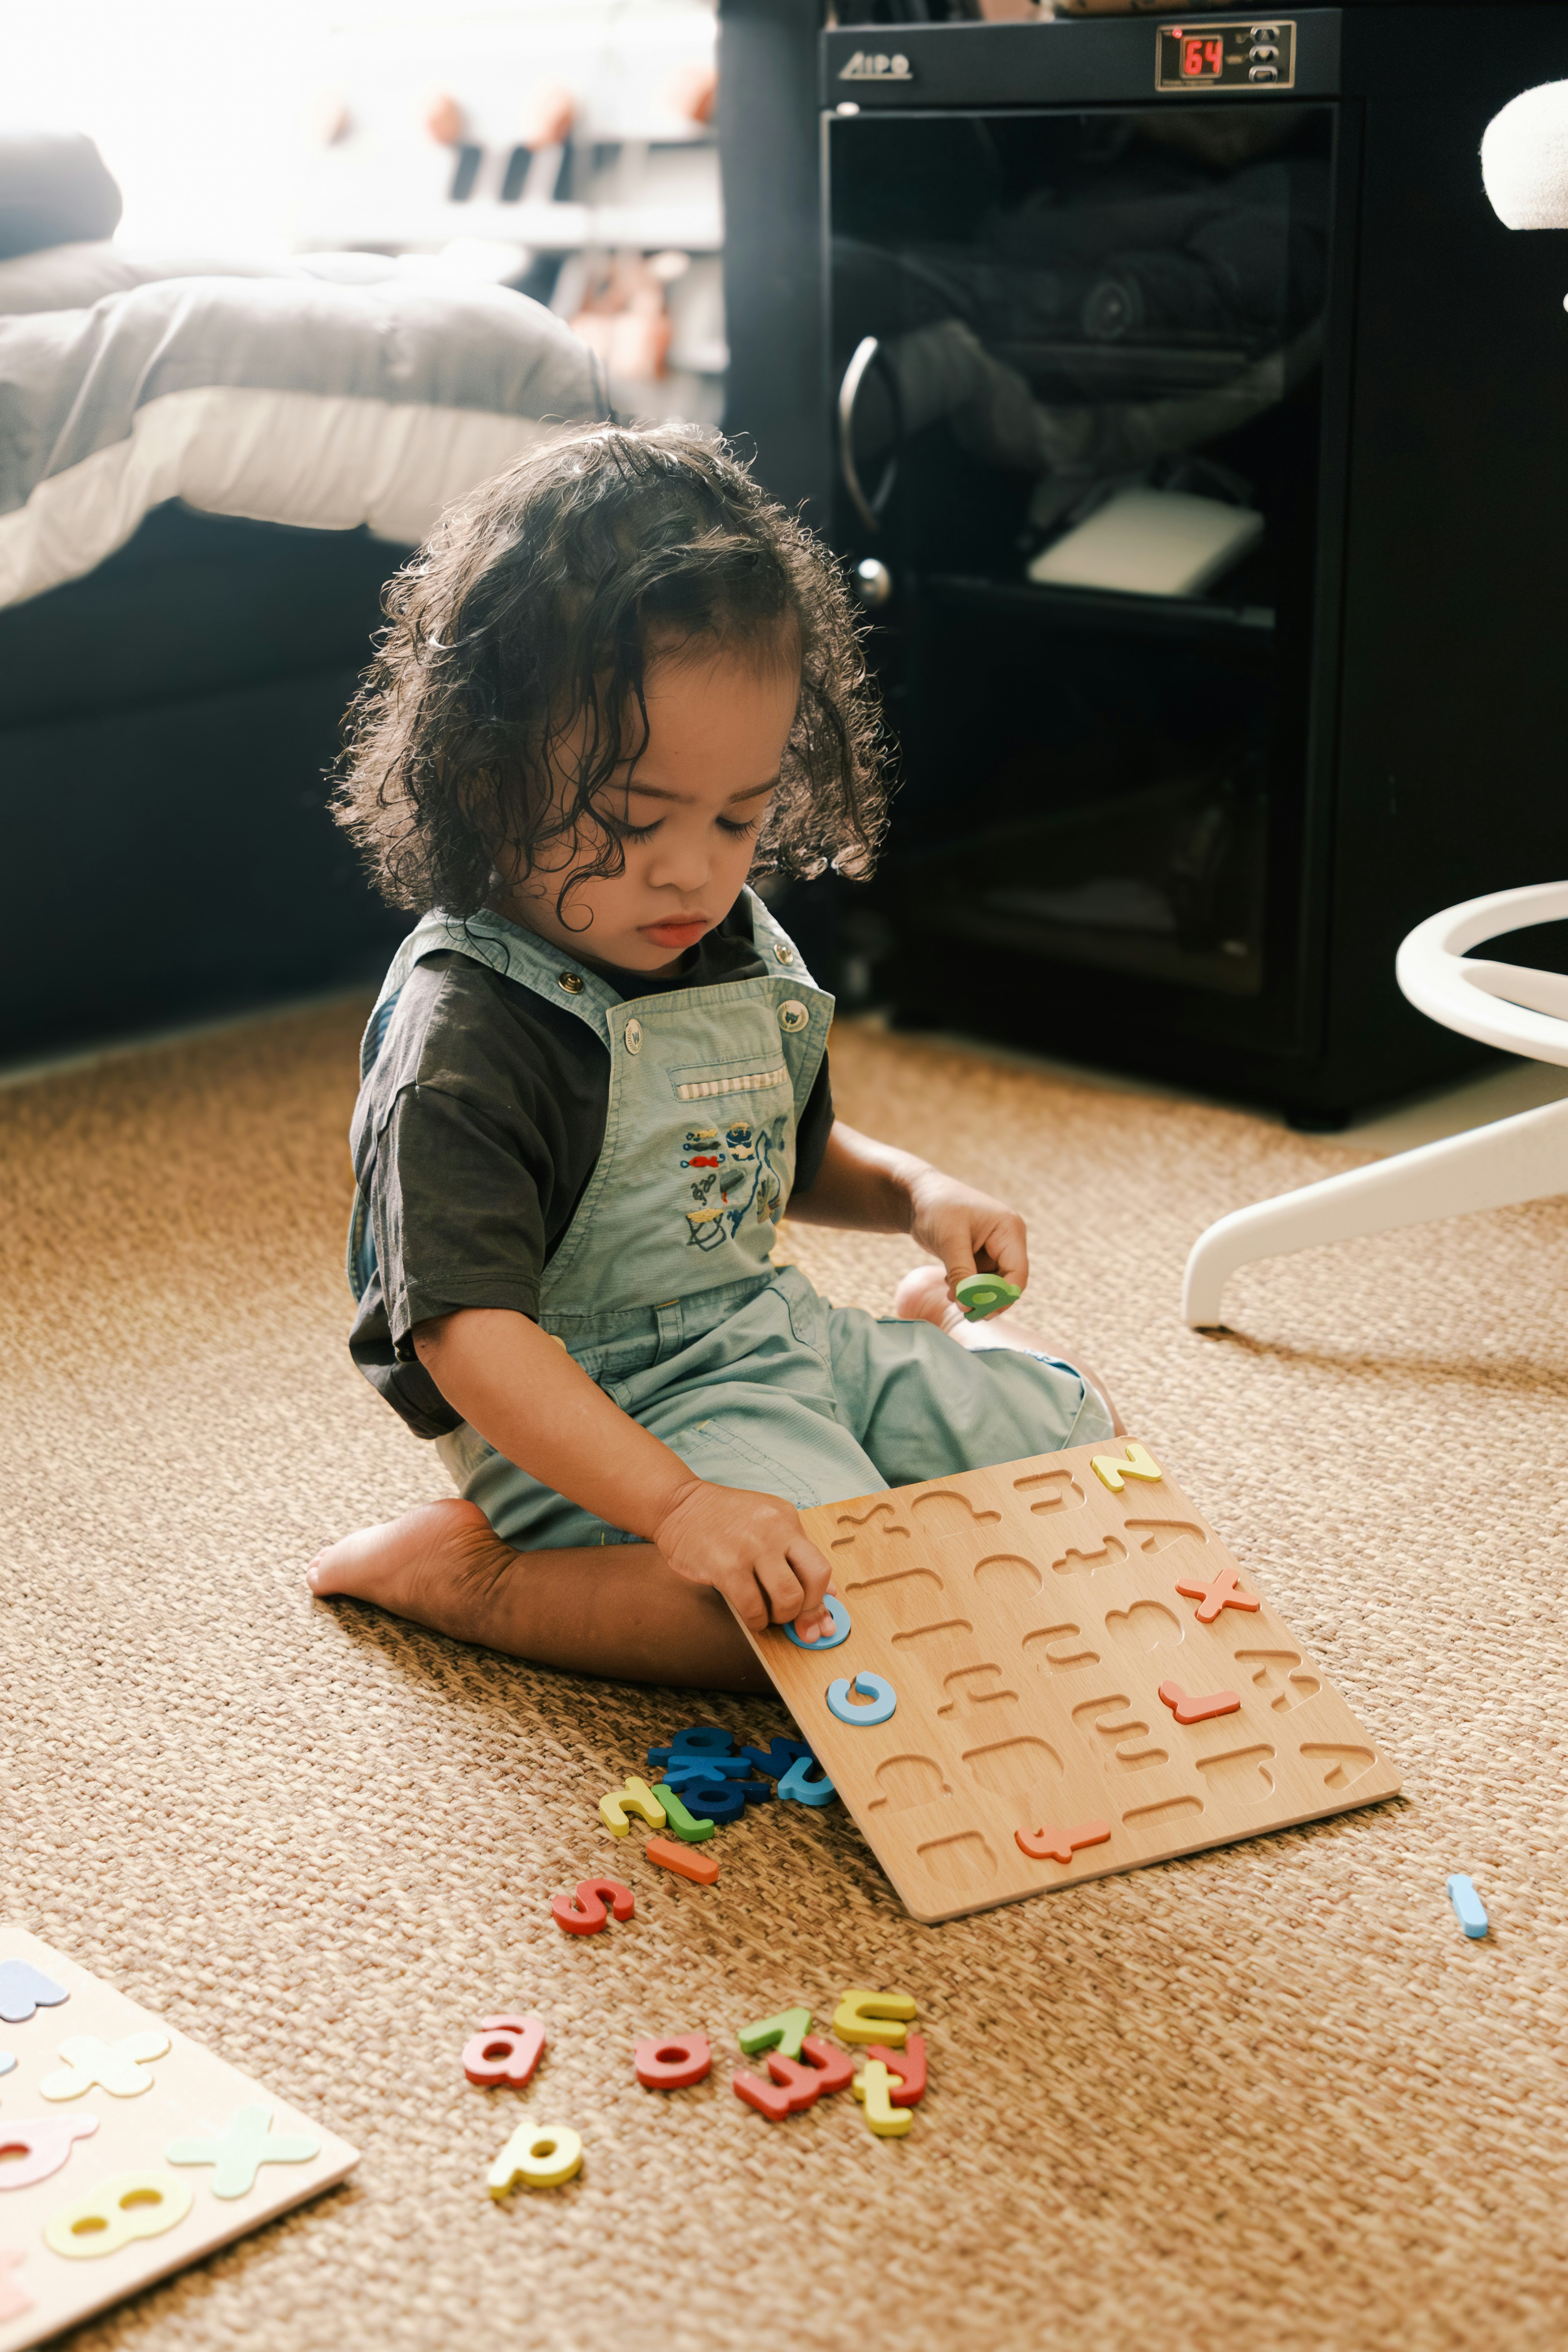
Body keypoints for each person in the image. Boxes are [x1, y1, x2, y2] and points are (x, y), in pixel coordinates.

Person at [308, 424, 1121, 1692]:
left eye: (737, 815)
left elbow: (772, 1156)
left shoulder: (718, 935)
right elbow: (467, 1332)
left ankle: (915, 1353)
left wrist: (913, 1192)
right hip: (585, 1414)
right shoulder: (464, 1037)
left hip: (762, 1331)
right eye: (631, 823)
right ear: (483, 775)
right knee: (805, 1607)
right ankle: (475, 1579)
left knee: (1078, 1444)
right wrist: (679, 1504)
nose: (693, 868)